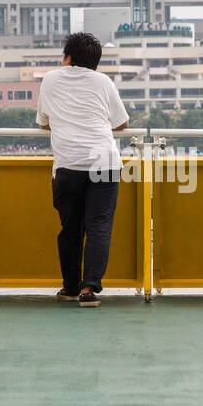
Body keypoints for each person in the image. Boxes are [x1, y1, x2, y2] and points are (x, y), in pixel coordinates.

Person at [36, 32, 129, 307]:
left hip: (68, 164)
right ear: (95, 63)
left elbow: (43, 122)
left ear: (68, 57)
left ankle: (70, 287)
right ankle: (89, 289)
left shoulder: (51, 79)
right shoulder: (103, 82)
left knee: (71, 228)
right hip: (105, 161)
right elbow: (121, 122)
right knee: (99, 227)